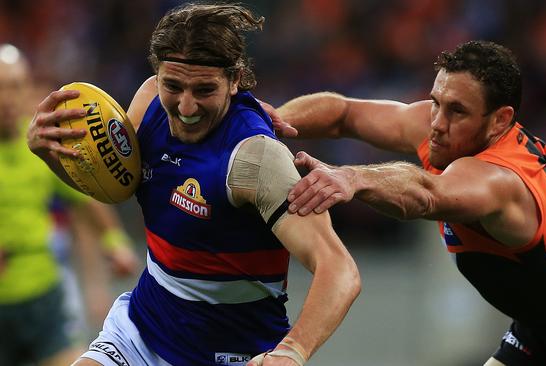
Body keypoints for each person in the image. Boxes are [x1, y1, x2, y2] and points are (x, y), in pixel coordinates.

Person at [265, 40, 546, 365]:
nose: (437, 122)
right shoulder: (445, 131)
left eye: (457, 111)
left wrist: (352, 176)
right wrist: (266, 123)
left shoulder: (501, 181)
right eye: (436, 102)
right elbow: (344, 114)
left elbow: (424, 194)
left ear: (500, 121)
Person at [27, 4, 361, 366]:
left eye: (204, 90)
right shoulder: (149, 102)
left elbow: (339, 269)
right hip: (141, 331)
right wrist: (50, 157)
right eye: (173, 85)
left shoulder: (254, 158)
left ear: (235, 81)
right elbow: (113, 188)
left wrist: (292, 352)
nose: (186, 106)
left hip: (230, 354)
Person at [0, 43, 140, 366]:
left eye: (16, 87)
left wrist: (115, 242)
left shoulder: (43, 142)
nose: (8, 98)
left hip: (43, 296)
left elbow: (87, 200)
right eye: (1, 88)